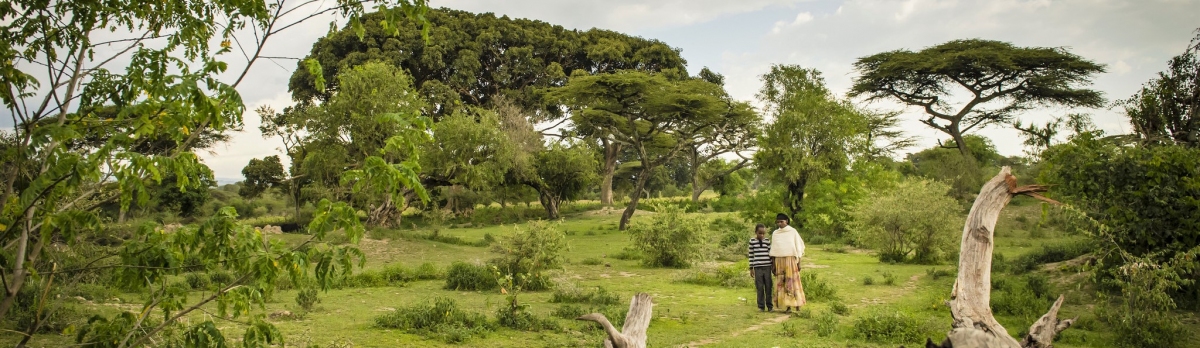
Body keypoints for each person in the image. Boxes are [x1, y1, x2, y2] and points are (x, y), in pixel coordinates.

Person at [769, 213, 806, 313]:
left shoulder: (792, 232)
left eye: (782, 221)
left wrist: (799, 262)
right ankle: (787, 306)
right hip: (779, 261)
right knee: (781, 283)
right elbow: (774, 250)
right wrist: (773, 265)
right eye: (778, 222)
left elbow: (798, 247)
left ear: (787, 221)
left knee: (792, 282)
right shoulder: (775, 234)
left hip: (790, 260)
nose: (780, 224)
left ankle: (797, 304)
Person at [747, 224, 773, 312]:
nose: (761, 235)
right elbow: (751, 255)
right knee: (759, 287)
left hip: (767, 267)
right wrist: (751, 268)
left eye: (763, 233)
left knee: (769, 286)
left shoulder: (767, 241)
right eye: (759, 233)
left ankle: (770, 306)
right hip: (758, 267)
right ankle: (761, 306)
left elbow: (770, 254)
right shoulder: (752, 241)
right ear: (756, 232)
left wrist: (773, 266)